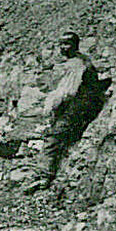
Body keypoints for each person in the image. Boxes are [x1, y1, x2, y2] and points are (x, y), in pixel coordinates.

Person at [41, 32, 107, 186]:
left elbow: (68, 93)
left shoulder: (76, 65)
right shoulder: (82, 59)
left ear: (75, 45)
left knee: (53, 137)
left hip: (82, 106)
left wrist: (52, 108)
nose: (63, 48)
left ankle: (44, 176)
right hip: (87, 103)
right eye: (61, 44)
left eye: (67, 44)